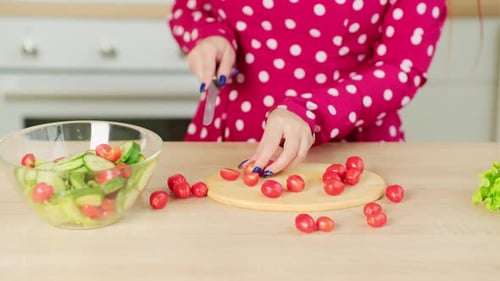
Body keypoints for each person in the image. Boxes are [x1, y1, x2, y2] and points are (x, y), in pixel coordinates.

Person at [168, 0, 447, 177]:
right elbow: (191, 8)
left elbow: (400, 70)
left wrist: (311, 111)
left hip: (350, 156)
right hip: (224, 141)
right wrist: (207, 35)